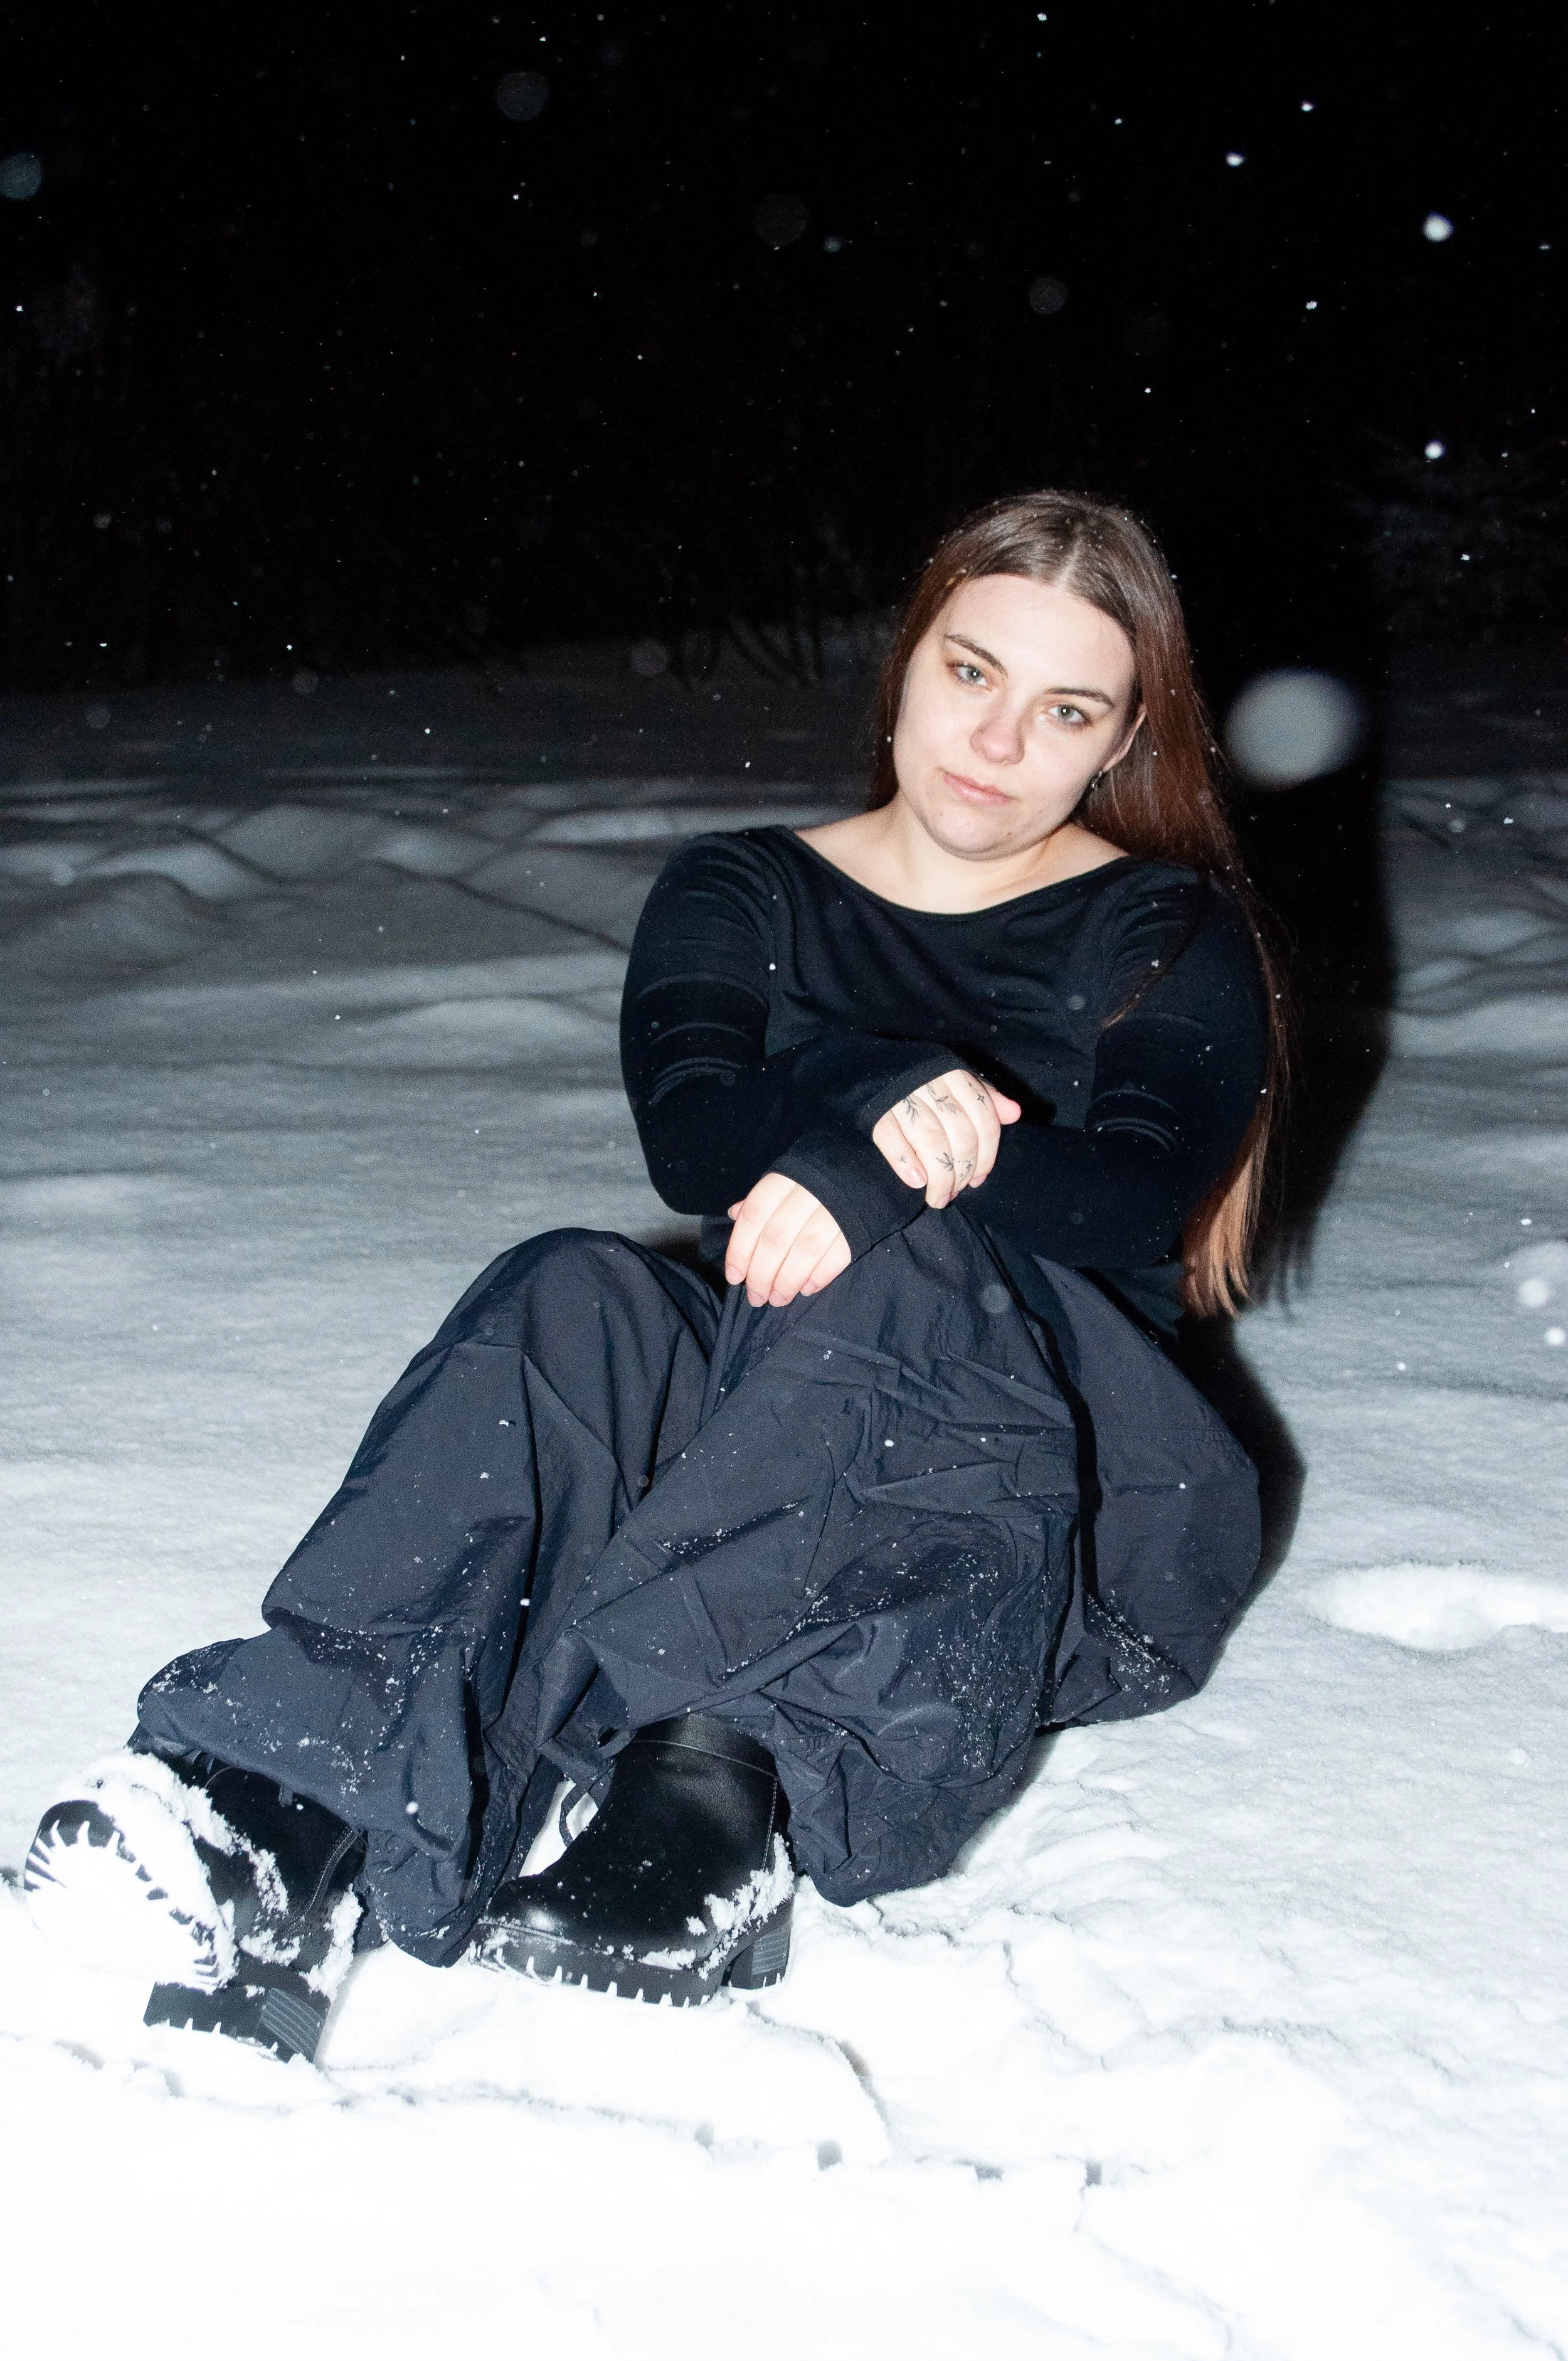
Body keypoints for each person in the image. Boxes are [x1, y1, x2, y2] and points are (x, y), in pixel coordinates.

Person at [24, 491, 1276, 2059]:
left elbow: (1130, 1192)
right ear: (902, 665)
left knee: (908, 1265)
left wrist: (888, 1167)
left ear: (1120, 737)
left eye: (1066, 707)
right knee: (576, 1296)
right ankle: (280, 1808)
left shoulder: (1158, 929)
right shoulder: (744, 890)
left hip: (1052, 1506)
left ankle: (710, 1789)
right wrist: (880, 1100)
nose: (1000, 737)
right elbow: (696, 1147)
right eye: (971, 672)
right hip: (778, 1431)